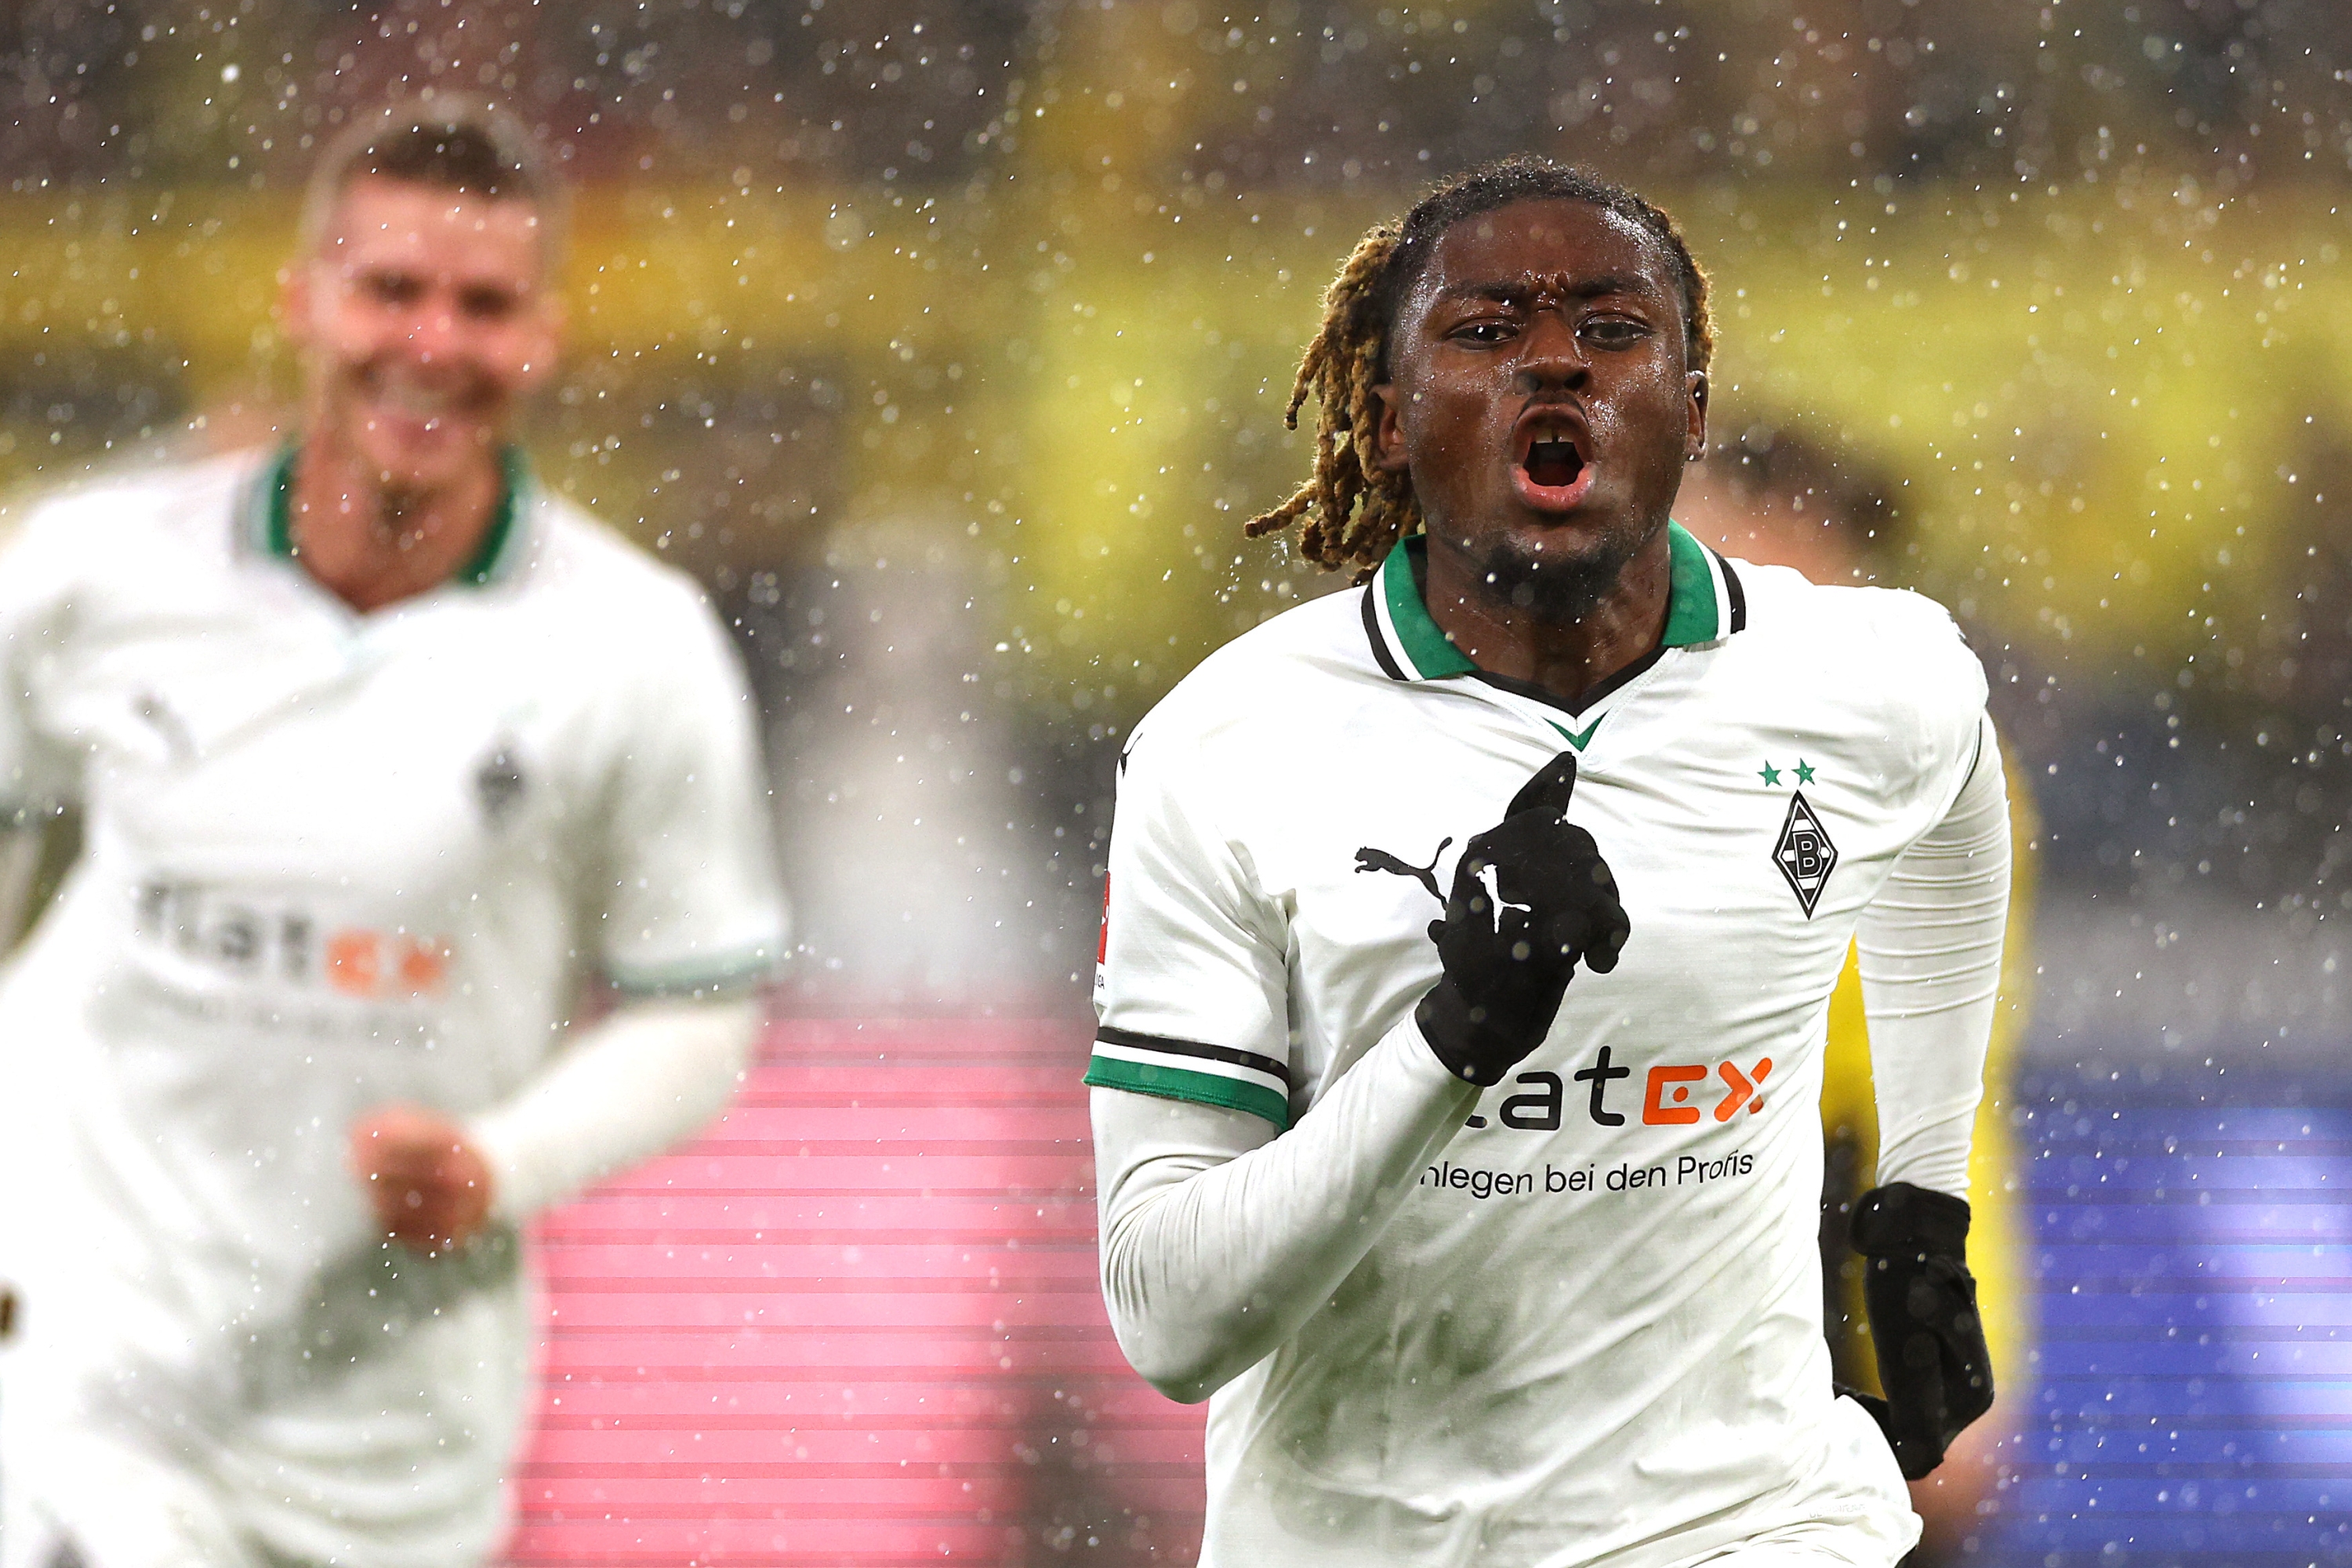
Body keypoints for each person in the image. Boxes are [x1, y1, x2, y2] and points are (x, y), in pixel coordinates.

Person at [1086, 158, 2011, 1566]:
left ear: (1690, 411)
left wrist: (1925, 1196)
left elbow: (1955, 786)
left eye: (1613, 329)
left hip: (1748, 1521)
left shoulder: (1862, 675)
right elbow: (1168, 1319)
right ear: (1388, 419)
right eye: (1483, 331)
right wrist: (1454, 1042)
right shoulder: (1225, 752)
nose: (1555, 365)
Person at [0, 99, 787, 1568]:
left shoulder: (634, 648)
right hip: (82, 1375)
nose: (432, 342)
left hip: (380, 1425)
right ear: (303, 301)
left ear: (543, 336)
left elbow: (701, 1012)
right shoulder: (93, 572)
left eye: (482, 304)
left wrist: (503, 1161)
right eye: (391, 290)